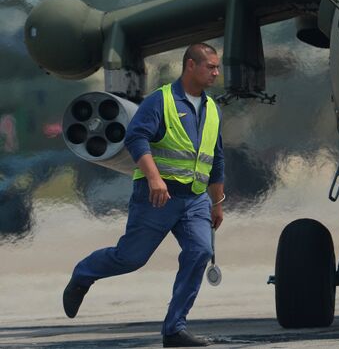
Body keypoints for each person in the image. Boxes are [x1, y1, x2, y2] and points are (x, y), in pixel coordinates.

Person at [63, 43, 225, 347]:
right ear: (190, 65)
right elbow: (136, 137)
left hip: (194, 199)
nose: (216, 72)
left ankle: (174, 329)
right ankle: (84, 274)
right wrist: (154, 179)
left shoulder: (212, 109)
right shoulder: (160, 101)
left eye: (217, 67)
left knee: (200, 252)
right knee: (130, 258)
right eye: (211, 66)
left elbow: (216, 160)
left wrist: (217, 203)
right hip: (157, 197)